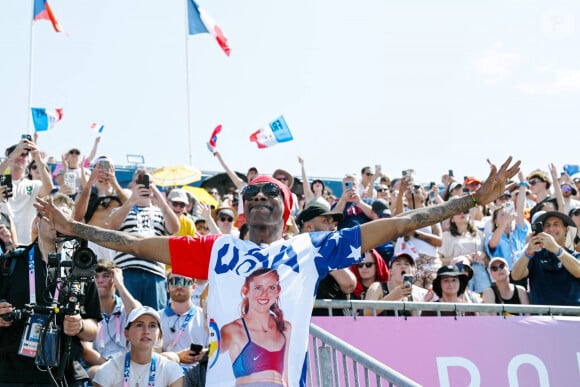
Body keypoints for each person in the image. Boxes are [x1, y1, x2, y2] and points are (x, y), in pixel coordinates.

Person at [34, 157, 520, 386]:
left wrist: (473, 201)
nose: (260, 198)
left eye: (270, 194)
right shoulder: (218, 249)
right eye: (251, 196)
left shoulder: (310, 248)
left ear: (285, 212)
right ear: (242, 210)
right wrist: (74, 226)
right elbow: (138, 243)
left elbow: (399, 223)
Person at [0, 193, 100, 385]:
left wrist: (79, 326)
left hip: (63, 372)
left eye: (62, 217)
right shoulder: (9, 263)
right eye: (49, 215)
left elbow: (93, 328)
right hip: (13, 373)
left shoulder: (81, 268)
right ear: (37, 221)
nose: (56, 222)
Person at [108, 169, 179, 310]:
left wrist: (162, 202)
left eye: (149, 182)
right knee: (127, 317)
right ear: (131, 187)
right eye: (139, 181)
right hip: (127, 271)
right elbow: (112, 225)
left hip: (155, 273)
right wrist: (131, 200)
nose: (144, 185)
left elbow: (174, 228)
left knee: (155, 317)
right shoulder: (121, 211)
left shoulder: (161, 212)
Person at [220, 268, 290, 386]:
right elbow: (212, 357)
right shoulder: (232, 330)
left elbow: (285, 377)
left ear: (278, 290)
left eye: (271, 288)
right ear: (245, 290)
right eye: (258, 288)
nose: (264, 294)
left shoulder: (285, 328)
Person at [92, 306, 184, 387]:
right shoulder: (108, 370)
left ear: (159, 335)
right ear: (126, 333)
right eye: (139, 325)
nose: (146, 331)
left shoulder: (172, 369)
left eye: (152, 326)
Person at [82, 260, 141, 380]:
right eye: (95, 276)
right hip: (100, 365)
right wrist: (113, 368)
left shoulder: (127, 307)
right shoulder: (84, 310)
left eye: (106, 276)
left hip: (130, 364)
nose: (100, 280)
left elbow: (139, 315)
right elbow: (87, 352)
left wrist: (120, 285)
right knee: (97, 372)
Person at [296, 204, 356, 317]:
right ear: (308, 227)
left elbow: (349, 284)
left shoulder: (329, 251)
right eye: (326, 221)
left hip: (330, 322)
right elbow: (348, 283)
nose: (333, 227)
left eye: (335, 224)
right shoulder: (294, 251)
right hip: (315, 322)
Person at [511, 211, 580, 306]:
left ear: (566, 229)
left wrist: (556, 249)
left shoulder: (575, 255)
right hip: (543, 317)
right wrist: (528, 251)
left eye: (556, 224)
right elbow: (516, 276)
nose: (551, 229)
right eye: (547, 225)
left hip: (571, 317)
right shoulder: (535, 256)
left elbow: (578, 271)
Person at [74, 155, 129, 261]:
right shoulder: (84, 194)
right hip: (92, 243)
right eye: (99, 167)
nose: (104, 171)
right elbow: (77, 216)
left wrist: (115, 184)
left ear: (114, 170)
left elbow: (131, 206)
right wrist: (89, 183)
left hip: (116, 243)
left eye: (108, 167)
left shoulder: (124, 193)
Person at [0, 138, 54, 244]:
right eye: (18, 153)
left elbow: (49, 189)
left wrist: (38, 159)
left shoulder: (33, 184)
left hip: (26, 244)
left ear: (28, 161)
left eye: (25, 155)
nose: (21, 157)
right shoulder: (2, 181)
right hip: (3, 244)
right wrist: (13, 155)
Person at [363, 240, 427, 316]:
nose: (403, 266)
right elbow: (367, 313)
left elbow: (416, 324)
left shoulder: (414, 296)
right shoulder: (377, 287)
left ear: (413, 272)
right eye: (398, 264)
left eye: (407, 264)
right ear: (390, 271)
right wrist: (392, 297)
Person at [159, 272, 208, 370]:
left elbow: (218, 348)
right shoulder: (156, 318)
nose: (180, 286)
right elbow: (151, 356)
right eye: (174, 281)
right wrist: (178, 356)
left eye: (185, 282)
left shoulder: (205, 316)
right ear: (167, 287)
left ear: (193, 287)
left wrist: (206, 353)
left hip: (199, 376)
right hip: (167, 376)